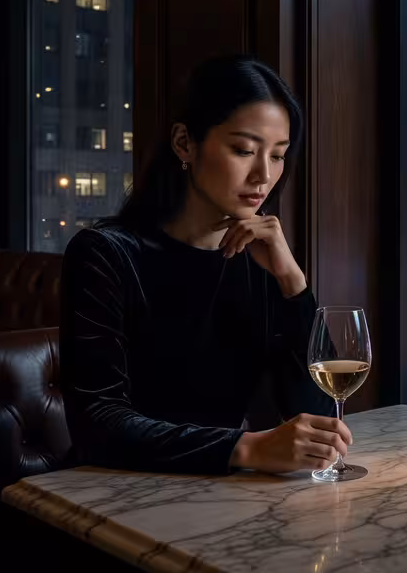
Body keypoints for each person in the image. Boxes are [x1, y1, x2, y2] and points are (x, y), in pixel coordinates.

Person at [60, 56, 350, 476]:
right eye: (244, 150)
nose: (263, 176)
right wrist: (247, 448)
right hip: (112, 490)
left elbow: (318, 417)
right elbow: (97, 424)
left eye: (278, 155)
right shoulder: (104, 254)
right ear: (184, 143)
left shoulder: (260, 260)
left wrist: (293, 282)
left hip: (217, 493)